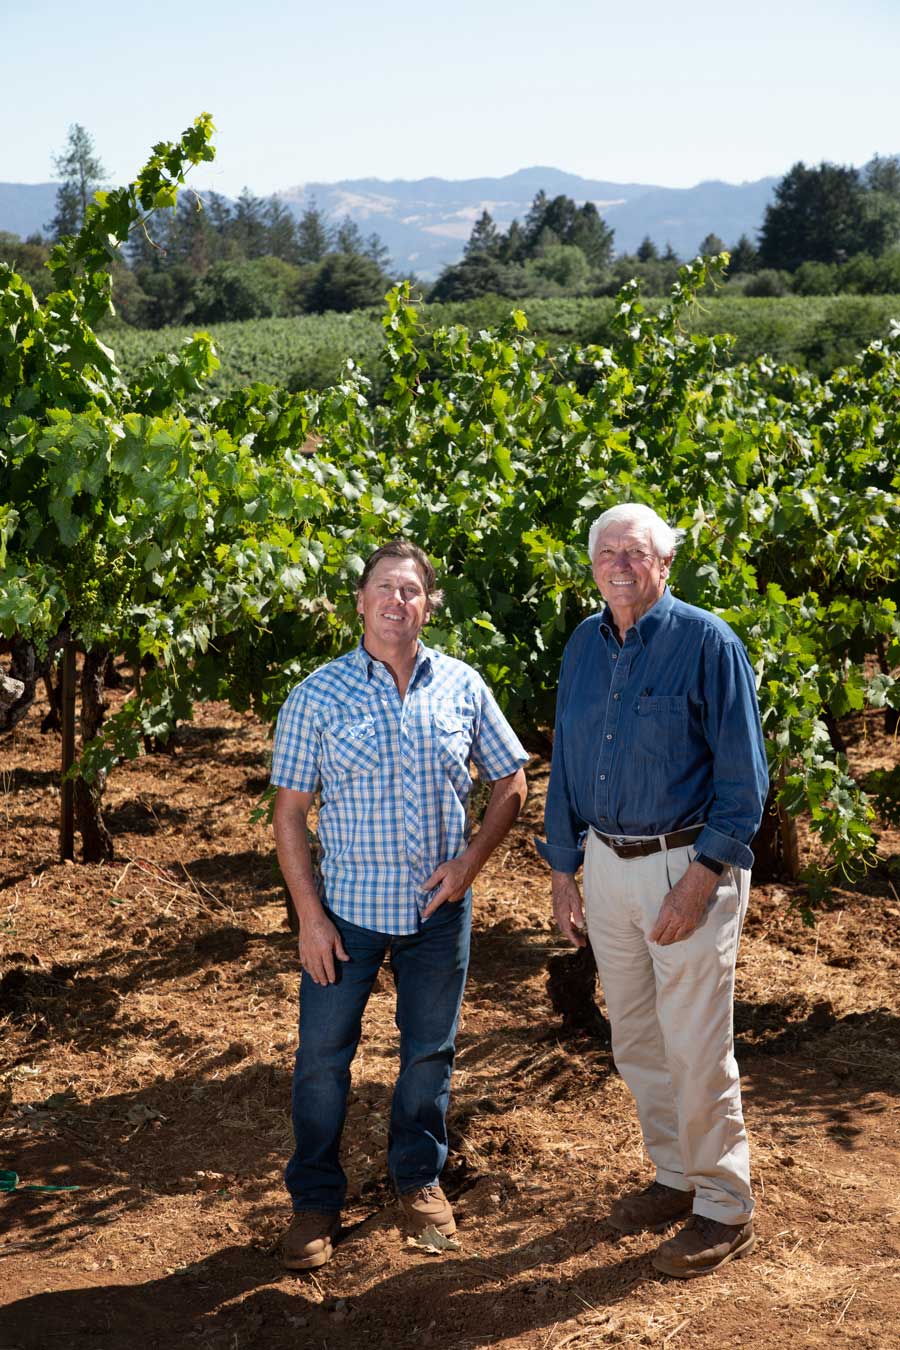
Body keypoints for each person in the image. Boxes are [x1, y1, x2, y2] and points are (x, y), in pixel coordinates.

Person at [271, 539, 528, 1270]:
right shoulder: (318, 694)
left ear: (427, 605)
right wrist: (309, 918)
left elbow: (512, 781)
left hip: (436, 914)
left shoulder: (462, 686)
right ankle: (315, 1202)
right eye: (384, 587)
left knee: (428, 1055)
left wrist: (469, 865)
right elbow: (289, 813)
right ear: (360, 601)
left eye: (412, 591)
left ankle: (418, 1181)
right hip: (345, 915)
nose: (396, 601)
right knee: (321, 1059)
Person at [536, 502, 768, 1279]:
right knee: (635, 1036)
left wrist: (701, 880)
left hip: (683, 865)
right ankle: (675, 1174)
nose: (619, 565)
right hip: (604, 864)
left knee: (697, 1042)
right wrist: (564, 873)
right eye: (606, 552)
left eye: (635, 553)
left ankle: (723, 1204)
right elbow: (567, 763)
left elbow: (744, 783)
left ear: (665, 563)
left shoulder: (707, 642)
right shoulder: (583, 644)